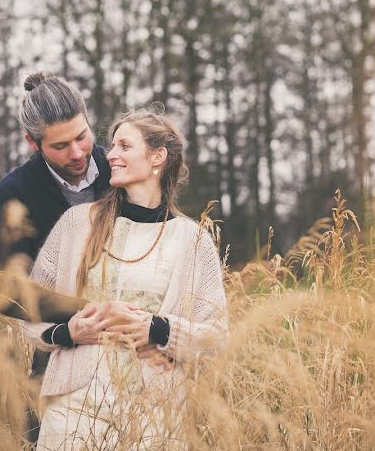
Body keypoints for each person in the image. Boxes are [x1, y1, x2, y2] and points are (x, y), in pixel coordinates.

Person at [24, 105, 228, 450]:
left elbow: (216, 338)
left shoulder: (191, 240)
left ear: (157, 157)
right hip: (73, 414)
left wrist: (159, 329)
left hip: (153, 417)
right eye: (112, 146)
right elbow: (30, 306)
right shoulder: (76, 224)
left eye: (123, 146)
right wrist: (67, 332)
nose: (110, 155)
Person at [0, 71, 112, 267]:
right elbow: (7, 287)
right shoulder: (12, 193)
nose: (77, 154)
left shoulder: (118, 168)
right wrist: (82, 301)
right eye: (60, 146)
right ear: (32, 142)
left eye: (81, 137)